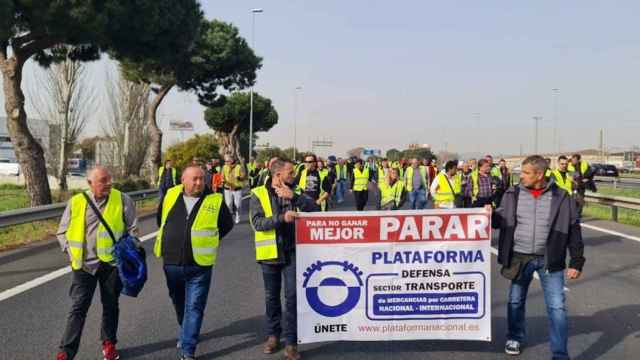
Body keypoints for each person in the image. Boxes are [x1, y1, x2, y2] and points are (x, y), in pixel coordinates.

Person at [492, 155, 585, 360]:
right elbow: (498, 221)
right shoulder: (512, 193)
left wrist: (576, 261)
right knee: (515, 301)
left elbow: (573, 229)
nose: (521, 176)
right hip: (519, 257)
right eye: (521, 172)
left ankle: (560, 354)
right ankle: (514, 337)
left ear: (539, 174)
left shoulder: (561, 196)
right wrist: (488, 214)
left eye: (526, 173)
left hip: (550, 260)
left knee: (557, 307)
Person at [56, 167, 138, 360]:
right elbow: (62, 232)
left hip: (111, 265)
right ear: (90, 183)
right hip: (84, 265)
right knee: (78, 308)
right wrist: (70, 252)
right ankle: (66, 352)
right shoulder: (76, 202)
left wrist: (128, 250)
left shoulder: (123, 199)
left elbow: (133, 229)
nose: (108, 183)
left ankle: (109, 344)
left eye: (109, 179)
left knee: (110, 305)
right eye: (103, 180)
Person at [154, 166, 234, 360]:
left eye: (201, 179)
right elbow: (160, 220)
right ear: (183, 180)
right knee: (179, 301)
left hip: (200, 265)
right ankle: (186, 330)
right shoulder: (171, 194)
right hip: (171, 262)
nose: (199, 183)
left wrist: (210, 240)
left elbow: (227, 225)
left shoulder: (214, 200)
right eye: (194, 179)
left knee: (195, 306)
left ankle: (188, 349)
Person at [250, 160, 319, 360]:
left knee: (292, 298)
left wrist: (294, 197)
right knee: (271, 297)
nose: (294, 174)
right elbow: (257, 223)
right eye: (290, 172)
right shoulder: (259, 193)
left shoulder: (296, 191)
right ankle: (273, 335)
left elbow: (315, 210)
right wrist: (282, 218)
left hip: (293, 252)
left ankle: (291, 343)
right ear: (278, 174)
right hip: (270, 255)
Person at [222, 155, 246, 224]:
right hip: (228, 188)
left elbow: (243, 176)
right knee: (228, 204)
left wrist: (239, 178)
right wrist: (223, 181)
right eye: (225, 161)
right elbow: (222, 176)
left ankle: (238, 216)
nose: (226, 162)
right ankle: (229, 218)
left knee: (238, 205)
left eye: (228, 161)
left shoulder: (238, 167)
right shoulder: (224, 167)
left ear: (232, 160)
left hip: (237, 189)